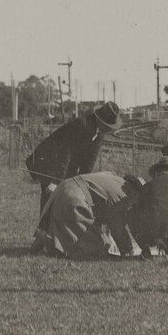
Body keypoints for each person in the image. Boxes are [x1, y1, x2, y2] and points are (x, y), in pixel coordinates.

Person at [26, 101, 122, 244]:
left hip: (65, 165)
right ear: (99, 120)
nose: (108, 130)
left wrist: (83, 184)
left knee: (68, 197)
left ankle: (59, 238)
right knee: (50, 195)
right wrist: (55, 180)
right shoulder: (81, 124)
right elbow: (66, 152)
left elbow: (89, 162)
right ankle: (42, 236)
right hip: (49, 161)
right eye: (107, 126)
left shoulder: (100, 134)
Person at [32, 172, 143, 260]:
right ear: (136, 191)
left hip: (63, 188)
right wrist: (127, 250)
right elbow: (117, 226)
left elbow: (102, 208)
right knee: (97, 248)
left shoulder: (113, 178)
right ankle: (47, 242)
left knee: (68, 232)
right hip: (74, 196)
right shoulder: (123, 196)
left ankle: (46, 239)